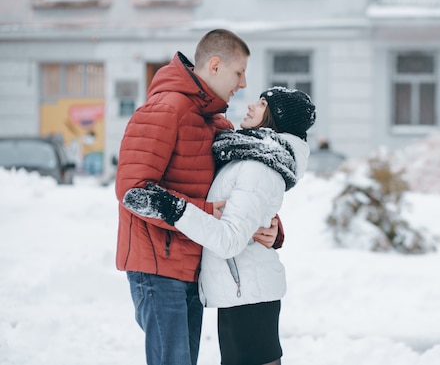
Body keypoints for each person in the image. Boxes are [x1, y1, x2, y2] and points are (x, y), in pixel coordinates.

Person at [114, 29, 283, 365]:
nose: (244, 83)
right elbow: (133, 191)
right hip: (157, 268)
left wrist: (271, 227)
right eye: (239, 72)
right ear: (215, 65)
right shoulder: (166, 109)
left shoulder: (216, 123)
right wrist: (206, 213)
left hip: (192, 266)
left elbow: (238, 191)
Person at [123, 86, 316, 365]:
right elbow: (246, 212)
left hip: (247, 295)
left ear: (277, 118)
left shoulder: (257, 167)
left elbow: (230, 240)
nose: (251, 106)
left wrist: (174, 209)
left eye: (262, 104)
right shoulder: (250, 156)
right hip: (244, 291)